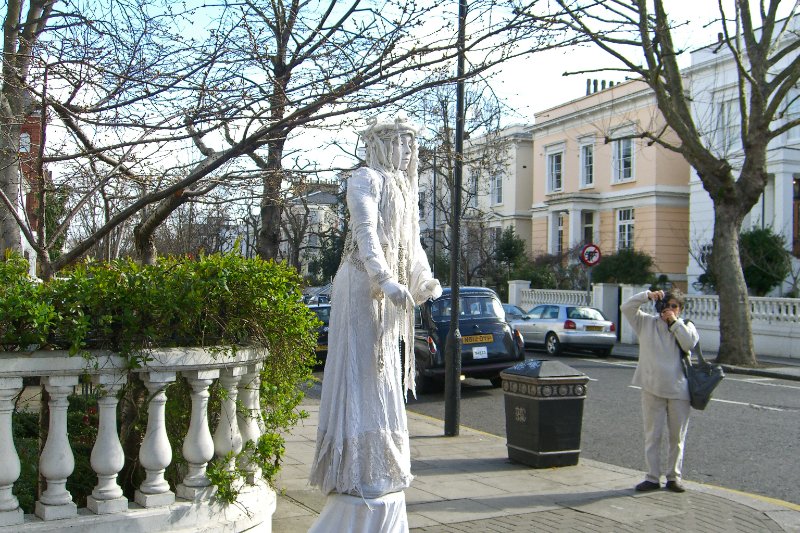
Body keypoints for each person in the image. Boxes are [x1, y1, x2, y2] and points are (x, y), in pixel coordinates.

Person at [308, 116, 441, 532]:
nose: (407, 153)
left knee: (382, 372)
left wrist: (422, 279)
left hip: (388, 291)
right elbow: (366, 233)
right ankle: (355, 468)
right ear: (383, 145)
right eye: (401, 144)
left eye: (410, 146)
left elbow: (412, 243)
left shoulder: (403, 188)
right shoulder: (364, 179)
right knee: (361, 370)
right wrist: (385, 279)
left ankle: (378, 463)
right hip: (359, 288)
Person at [621, 289, 699, 493]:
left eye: (675, 306)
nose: (670, 310)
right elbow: (626, 307)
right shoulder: (646, 323)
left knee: (677, 437)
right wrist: (647, 295)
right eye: (667, 305)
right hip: (651, 387)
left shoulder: (686, 326)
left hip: (679, 390)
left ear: (680, 310)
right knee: (652, 435)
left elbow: (689, 343)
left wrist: (674, 323)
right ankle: (652, 477)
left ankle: (674, 477)